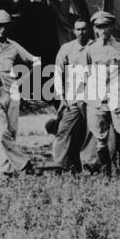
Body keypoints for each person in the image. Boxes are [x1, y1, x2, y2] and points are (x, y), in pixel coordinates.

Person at [83, 10, 120, 176]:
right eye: (99, 27)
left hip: (118, 95)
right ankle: (106, 174)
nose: (103, 30)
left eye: (106, 26)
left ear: (112, 27)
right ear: (95, 28)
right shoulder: (90, 49)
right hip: (97, 98)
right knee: (100, 137)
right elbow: (86, 73)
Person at [0, 10, 41, 175]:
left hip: (11, 94)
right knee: (1, 132)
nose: (2, 30)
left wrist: (21, 82)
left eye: (6, 27)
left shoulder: (13, 46)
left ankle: (4, 172)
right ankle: (24, 164)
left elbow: (35, 62)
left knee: (11, 133)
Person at [52, 17, 93, 172]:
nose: (81, 32)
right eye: (78, 29)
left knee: (92, 131)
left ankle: (89, 165)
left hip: (91, 97)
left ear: (88, 30)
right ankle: (59, 164)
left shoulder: (94, 47)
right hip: (72, 98)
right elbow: (58, 73)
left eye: (84, 29)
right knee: (63, 130)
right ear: (73, 31)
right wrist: (62, 98)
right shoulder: (66, 49)